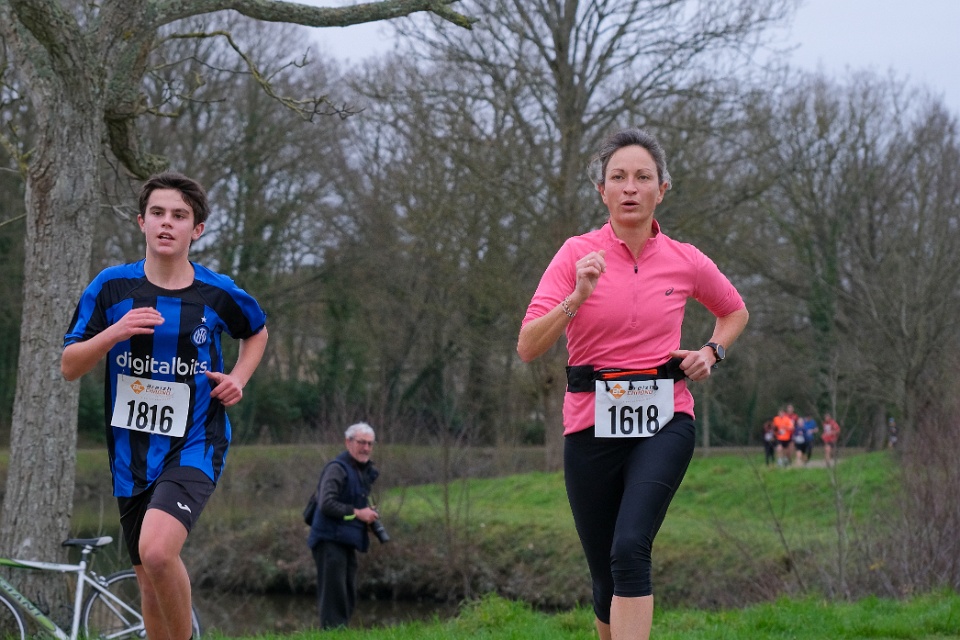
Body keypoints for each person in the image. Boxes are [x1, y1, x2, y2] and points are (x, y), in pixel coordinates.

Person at [517, 128, 748, 640]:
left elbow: (734, 311)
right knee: (605, 577)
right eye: (618, 177)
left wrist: (711, 351)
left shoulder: (685, 259)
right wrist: (577, 297)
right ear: (602, 191)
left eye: (642, 177)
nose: (630, 187)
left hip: (665, 421)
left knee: (629, 549)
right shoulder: (576, 255)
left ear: (661, 190)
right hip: (590, 426)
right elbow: (528, 346)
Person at [62, 172, 269, 640]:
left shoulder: (217, 292)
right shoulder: (111, 287)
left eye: (179, 215)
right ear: (142, 222)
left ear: (197, 229)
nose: (167, 223)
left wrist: (238, 378)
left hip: (195, 442)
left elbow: (256, 331)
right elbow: (69, 366)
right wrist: (114, 332)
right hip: (130, 453)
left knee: (157, 552)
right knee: (149, 581)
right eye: (157, 213)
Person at [307, 422, 382, 629]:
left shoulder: (361, 471)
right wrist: (359, 513)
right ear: (348, 442)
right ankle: (332, 633)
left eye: (370, 444)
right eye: (361, 442)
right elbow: (326, 504)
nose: (366, 448)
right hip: (329, 540)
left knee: (347, 594)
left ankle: (340, 632)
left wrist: (366, 518)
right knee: (334, 597)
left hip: (346, 540)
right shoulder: (336, 469)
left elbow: (347, 506)